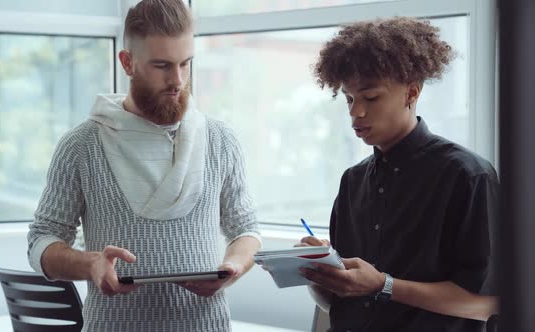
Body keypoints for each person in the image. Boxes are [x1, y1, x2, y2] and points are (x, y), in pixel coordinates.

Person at [26, 1, 261, 331]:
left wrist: (233, 267)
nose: (177, 80)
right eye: (162, 65)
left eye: (185, 63)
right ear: (127, 62)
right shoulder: (81, 146)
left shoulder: (221, 140)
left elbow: (247, 229)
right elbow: (41, 241)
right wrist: (90, 263)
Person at [298, 17, 498, 331]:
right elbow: (341, 301)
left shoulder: (467, 176)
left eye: (370, 98)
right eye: (349, 99)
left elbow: (486, 304)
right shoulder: (352, 181)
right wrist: (318, 273)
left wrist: (383, 285)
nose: (355, 113)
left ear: (411, 93)